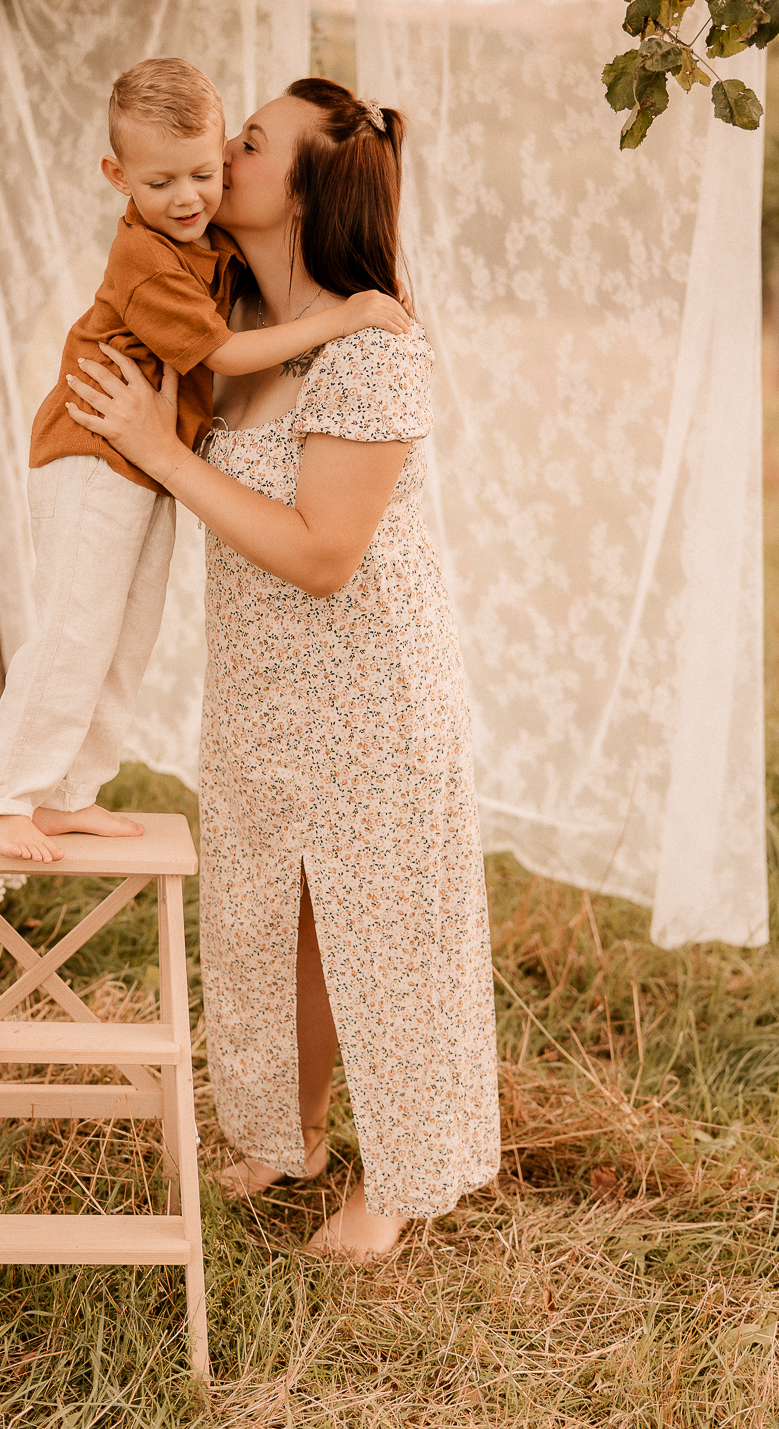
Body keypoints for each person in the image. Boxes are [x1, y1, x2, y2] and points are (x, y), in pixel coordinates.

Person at [63, 77, 501, 1260]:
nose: (218, 156)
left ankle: (401, 1177)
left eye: (248, 143)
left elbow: (320, 552)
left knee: (380, 927)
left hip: (369, 692)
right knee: (271, 922)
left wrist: (160, 447)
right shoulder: (221, 327)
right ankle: (286, 1132)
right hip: (261, 684)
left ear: (302, 193)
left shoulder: (369, 341)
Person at [0, 59, 411, 863]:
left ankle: (70, 792)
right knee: (75, 624)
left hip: (140, 464)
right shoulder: (152, 254)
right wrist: (345, 317)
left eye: (232, 153)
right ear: (120, 177)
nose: (205, 185)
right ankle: (3, 793)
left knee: (126, 630)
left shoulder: (214, 254)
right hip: (93, 452)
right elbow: (228, 355)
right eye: (173, 175)